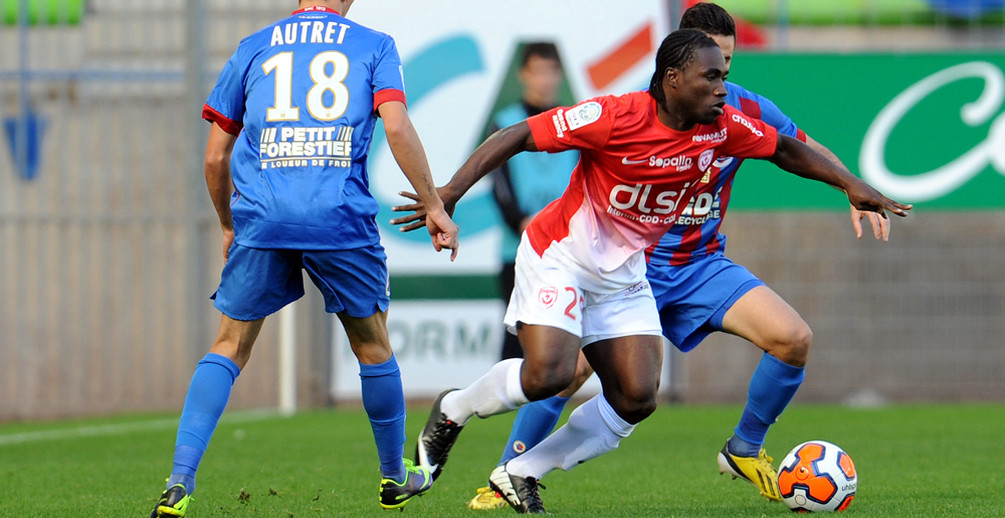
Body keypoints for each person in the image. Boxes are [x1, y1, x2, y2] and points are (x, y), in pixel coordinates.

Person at [393, 28, 910, 513]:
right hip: (562, 255)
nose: (722, 89)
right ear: (673, 79)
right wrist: (449, 195)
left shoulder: (722, 127)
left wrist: (848, 184)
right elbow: (516, 135)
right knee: (551, 374)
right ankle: (454, 408)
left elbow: (785, 148)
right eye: (712, 77)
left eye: (724, 77)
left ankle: (521, 471)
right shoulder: (614, 116)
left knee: (637, 398)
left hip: (625, 272)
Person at [148, 1, 459, 516]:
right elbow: (398, 129)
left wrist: (229, 223)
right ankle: (391, 479)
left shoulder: (254, 47)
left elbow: (213, 156)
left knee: (228, 345)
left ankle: (179, 481)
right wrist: (432, 204)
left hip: (264, 215)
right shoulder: (373, 44)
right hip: (337, 215)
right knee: (373, 347)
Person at [490, 42, 579, 362]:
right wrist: (522, 221)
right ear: (523, 75)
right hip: (518, 247)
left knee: (562, 335)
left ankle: (546, 404)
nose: (544, 79)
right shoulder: (506, 122)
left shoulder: (573, 122)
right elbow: (498, 184)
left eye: (550, 71)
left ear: (559, 75)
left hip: (565, 248)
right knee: (518, 334)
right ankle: (501, 403)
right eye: (537, 71)